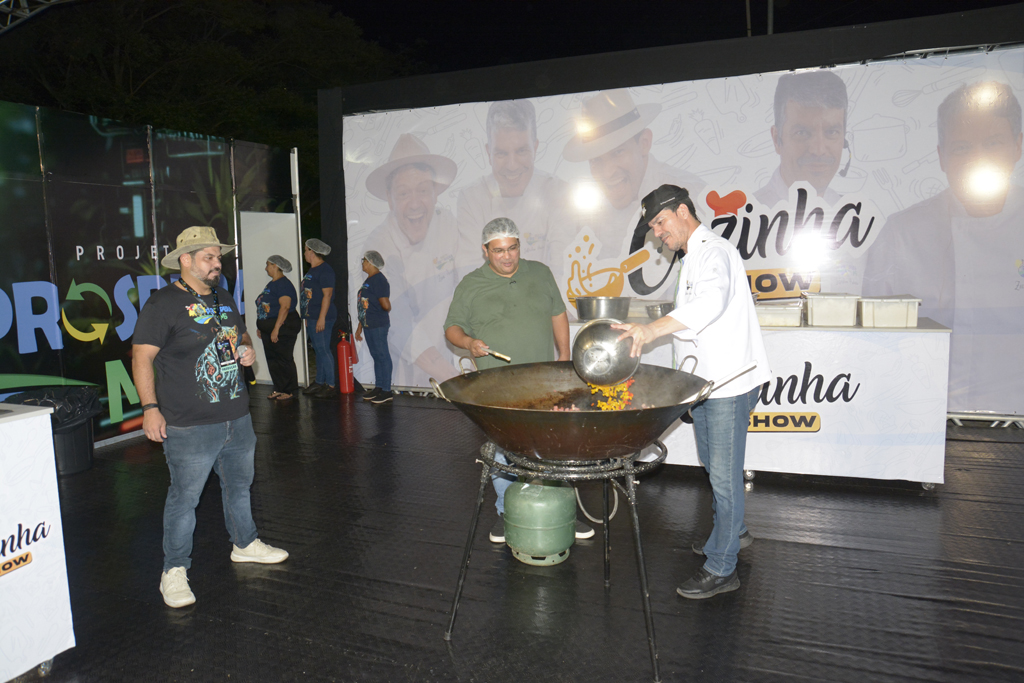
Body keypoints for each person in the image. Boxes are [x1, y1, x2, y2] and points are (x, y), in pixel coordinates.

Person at [614, 186, 771, 600]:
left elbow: (709, 305)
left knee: (723, 476)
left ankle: (722, 567)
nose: (657, 233)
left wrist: (650, 330)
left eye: (660, 222)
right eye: (652, 227)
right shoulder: (691, 257)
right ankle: (733, 532)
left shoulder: (714, 251)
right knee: (715, 466)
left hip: (729, 384)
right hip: (705, 385)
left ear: (683, 211)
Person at [132, 226, 288, 609]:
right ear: (186, 260)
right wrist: (150, 409)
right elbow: (141, 357)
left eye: (219, 257)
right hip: (189, 424)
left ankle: (245, 544)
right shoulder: (162, 304)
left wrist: (247, 350)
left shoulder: (223, 297)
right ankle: (173, 570)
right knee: (184, 498)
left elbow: (242, 335)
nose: (218, 263)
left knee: (239, 487)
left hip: (237, 416)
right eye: (209, 257)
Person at [863, 80, 1024, 413]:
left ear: (1018, 146)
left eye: (993, 143)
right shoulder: (902, 234)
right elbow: (871, 345)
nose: (978, 160)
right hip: (922, 423)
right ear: (941, 157)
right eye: (962, 148)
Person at [444, 217, 593, 543]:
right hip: (496, 387)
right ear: (485, 251)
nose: (507, 256)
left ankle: (561, 512)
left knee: (552, 446)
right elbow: (451, 328)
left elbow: (557, 313)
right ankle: (507, 513)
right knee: (503, 451)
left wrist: (564, 355)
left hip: (542, 382)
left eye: (512, 248)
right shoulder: (471, 284)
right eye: (499, 251)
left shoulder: (540, 273)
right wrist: (468, 342)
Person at [558, 88, 707, 302]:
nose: (607, 173)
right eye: (596, 160)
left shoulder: (693, 197)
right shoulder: (583, 214)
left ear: (644, 142)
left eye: (618, 152)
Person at [363, 133, 461, 387]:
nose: (415, 203)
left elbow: (468, 289)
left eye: (423, 190)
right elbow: (398, 321)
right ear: (389, 198)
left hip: (451, 362)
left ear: (436, 192)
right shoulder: (377, 246)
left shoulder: (448, 224)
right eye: (404, 193)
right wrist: (456, 380)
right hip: (404, 376)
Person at [455, 99, 575, 275]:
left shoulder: (558, 192)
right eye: (501, 153)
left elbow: (563, 270)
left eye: (521, 151)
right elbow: (471, 276)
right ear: (488, 153)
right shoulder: (472, 199)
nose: (512, 165)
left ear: (535, 148)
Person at [754, 70, 849, 208]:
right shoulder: (742, 216)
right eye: (802, 133)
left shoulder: (855, 214)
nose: (819, 150)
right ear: (776, 139)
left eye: (831, 132)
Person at [255, 255, 300, 401]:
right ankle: (279, 388)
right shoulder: (271, 284)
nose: (266, 268)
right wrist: (262, 326)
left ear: (275, 266)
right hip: (269, 327)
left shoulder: (283, 284)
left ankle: (289, 390)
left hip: (284, 326)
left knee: (284, 358)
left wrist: (276, 328)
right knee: (273, 359)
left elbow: (285, 307)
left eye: (268, 264)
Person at [300, 238, 338, 398]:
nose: (304, 253)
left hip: (323, 317)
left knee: (323, 350)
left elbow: (327, 295)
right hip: (313, 317)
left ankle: (331, 385)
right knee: (318, 350)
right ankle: (319, 382)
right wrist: (307, 316)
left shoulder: (325, 270)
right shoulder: (312, 271)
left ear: (312, 252)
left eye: (305, 250)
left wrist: (321, 318)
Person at [355, 250, 394, 405]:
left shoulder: (379, 280)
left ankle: (387, 390)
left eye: (364, 260)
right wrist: (360, 326)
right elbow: (365, 305)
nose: (362, 263)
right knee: (377, 356)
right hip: (368, 324)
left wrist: (382, 306)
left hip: (377, 324)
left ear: (371, 262)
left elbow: (386, 305)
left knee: (382, 356)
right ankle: (379, 387)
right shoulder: (370, 279)